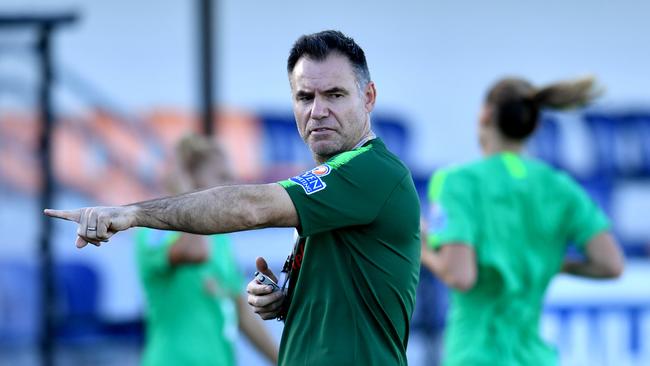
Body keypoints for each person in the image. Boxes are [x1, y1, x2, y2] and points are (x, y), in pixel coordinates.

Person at [45, 30, 421, 365]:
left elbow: (250, 207)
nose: (317, 111)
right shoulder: (332, 185)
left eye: (334, 95)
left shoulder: (372, 170)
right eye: (304, 97)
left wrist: (130, 214)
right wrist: (286, 298)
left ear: (368, 97)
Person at [421, 76, 625, 366]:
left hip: (476, 356)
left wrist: (422, 247)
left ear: (485, 115)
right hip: (535, 358)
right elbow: (611, 264)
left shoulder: (457, 182)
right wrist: (555, 263)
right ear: (536, 125)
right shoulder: (560, 186)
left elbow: (460, 276)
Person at [135, 134, 278, 366]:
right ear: (190, 180)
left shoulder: (219, 238)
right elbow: (194, 252)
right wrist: (188, 197)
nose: (232, 185)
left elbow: (239, 308)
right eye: (222, 177)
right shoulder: (153, 230)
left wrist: (282, 360)